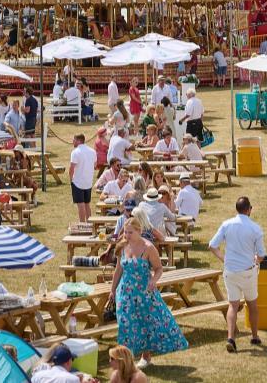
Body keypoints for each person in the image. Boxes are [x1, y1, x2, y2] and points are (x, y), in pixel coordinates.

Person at [109, 217, 188, 369]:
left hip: (144, 293)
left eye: (130, 232)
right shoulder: (122, 246)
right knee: (125, 324)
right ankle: (126, 360)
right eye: (125, 232)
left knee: (145, 323)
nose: (127, 235)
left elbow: (159, 269)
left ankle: (145, 356)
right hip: (125, 293)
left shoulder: (148, 247)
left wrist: (153, 280)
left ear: (139, 231)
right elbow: (118, 270)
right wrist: (112, 290)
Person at [210, 197, 266, 353]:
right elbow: (262, 254)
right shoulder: (255, 228)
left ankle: (231, 338)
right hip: (248, 271)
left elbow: (212, 245)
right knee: (252, 304)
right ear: (249, 209)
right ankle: (254, 336)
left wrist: (224, 259)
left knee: (233, 305)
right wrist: (256, 260)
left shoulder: (227, 224)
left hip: (230, 270)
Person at [70, 133, 97, 222]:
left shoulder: (75, 152)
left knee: (80, 204)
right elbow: (95, 165)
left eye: (74, 140)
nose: (72, 141)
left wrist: (71, 180)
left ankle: (82, 224)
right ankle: (89, 223)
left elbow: (71, 168)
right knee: (87, 204)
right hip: (88, 182)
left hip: (78, 182)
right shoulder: (92, 151)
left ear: (78, 141)